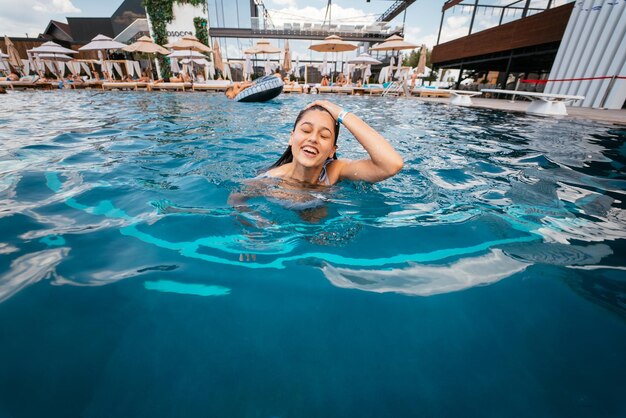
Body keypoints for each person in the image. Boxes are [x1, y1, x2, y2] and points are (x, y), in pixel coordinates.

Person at [263, 100, 403, 186]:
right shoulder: (269, 180)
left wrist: (340, 114)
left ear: (332, 150)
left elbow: (391, 165)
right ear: (291, 138)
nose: (313, 139)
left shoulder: (334, 171)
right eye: (306, 130)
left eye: (324, 136)